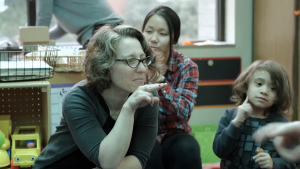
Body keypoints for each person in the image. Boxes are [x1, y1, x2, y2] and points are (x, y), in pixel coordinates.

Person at [33, 24, 167, 169]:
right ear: (106, 65)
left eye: (143, 59)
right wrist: (128, 108)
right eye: (131, 61)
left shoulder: (146, 96)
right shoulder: (78, 99)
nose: (142, 69)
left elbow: (139, 158)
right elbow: (107, 162)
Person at [142, 6, 201, 169]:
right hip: (140, 134)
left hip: (173, 133)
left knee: (188, 149)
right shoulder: (133, 63)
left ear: (173, 39)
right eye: (149, 31)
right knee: (147, 153)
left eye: (162, 33)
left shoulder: (187, 67)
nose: (154, 39)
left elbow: (183, 112)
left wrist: (160, 82)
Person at [213, 60, 298, 169]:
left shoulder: (281, 125)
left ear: (278, 96)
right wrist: (236, 123)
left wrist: (274, 163)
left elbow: (294, 160)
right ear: (246, 86)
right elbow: (219, 151)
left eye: (273, 88)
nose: (264, 91)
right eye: (259, 84)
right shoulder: (231, 115)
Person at [36, 0, 123, 45]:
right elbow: (62, 28)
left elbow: (44, 17)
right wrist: (30, 39)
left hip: (100, 32)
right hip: (113, 28)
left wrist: (32, 44)